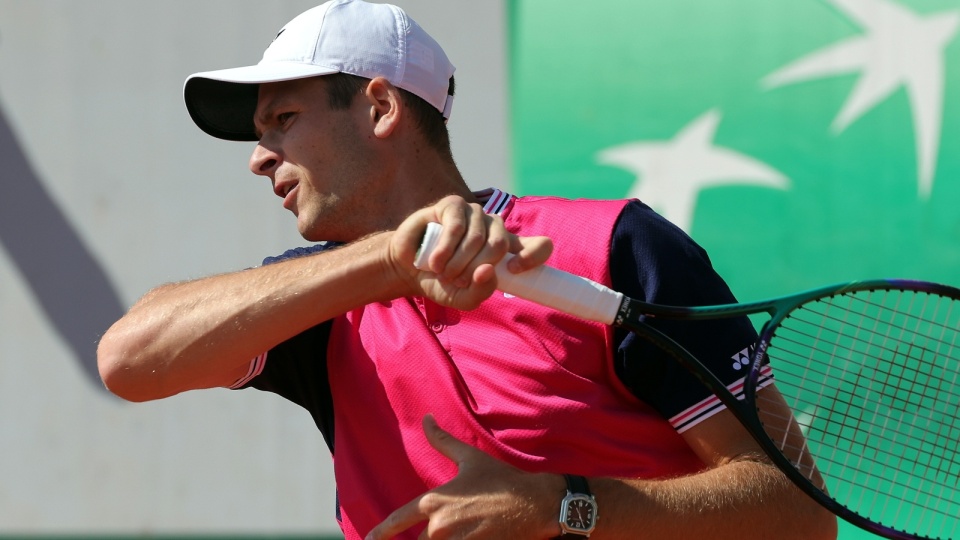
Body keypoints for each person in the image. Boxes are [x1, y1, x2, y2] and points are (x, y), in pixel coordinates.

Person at [97, 1, 838, 539]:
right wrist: (392, 261)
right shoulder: (325, 297)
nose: (259, 158)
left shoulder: (617, 245)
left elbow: (798, 511)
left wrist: (564, 505)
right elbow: (129, 360)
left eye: (281, 121)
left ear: (380, 107)